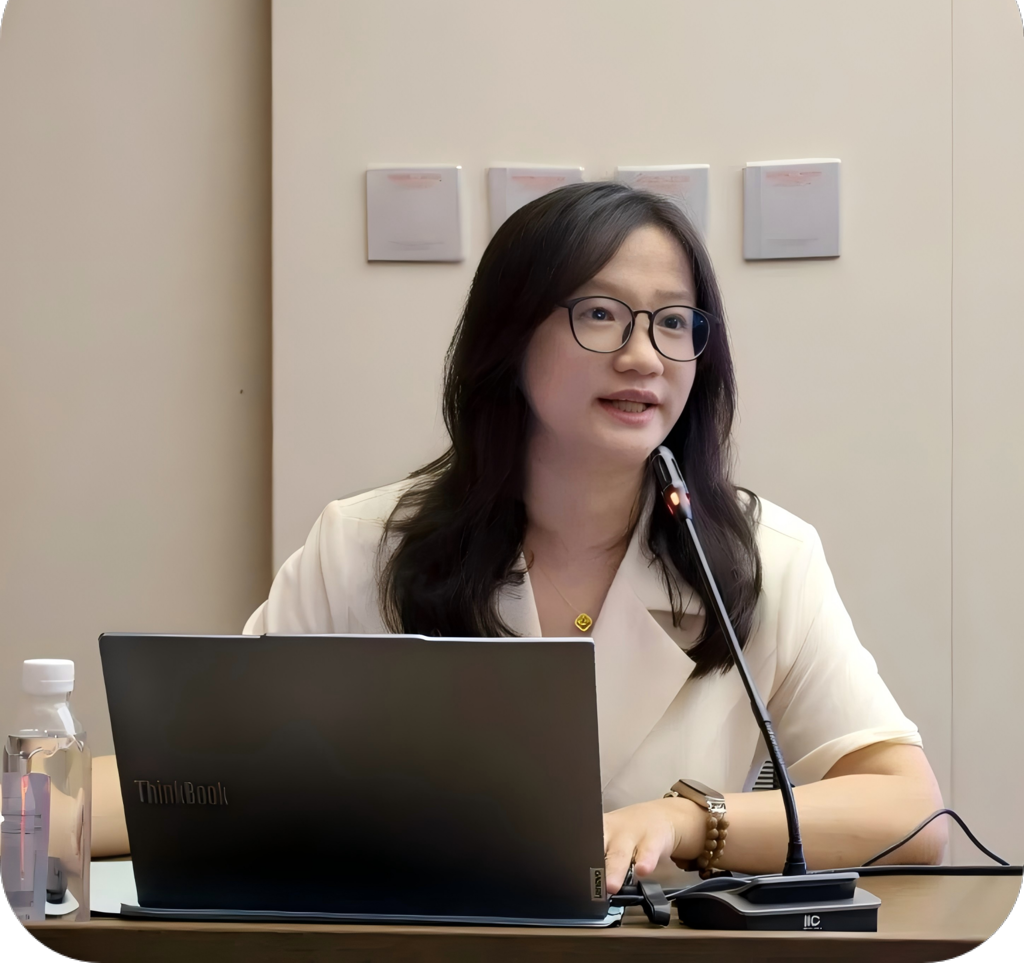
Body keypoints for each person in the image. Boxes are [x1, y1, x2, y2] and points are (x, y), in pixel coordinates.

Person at [93, 182, 946, 889]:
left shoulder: (764, 557)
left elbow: (909, 810)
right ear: (509, 338)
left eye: (674, 321)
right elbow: (205, 777)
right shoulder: (364, 546)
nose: (645, 356)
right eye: (602, 314)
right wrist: (43, 805)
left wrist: (690, 821)